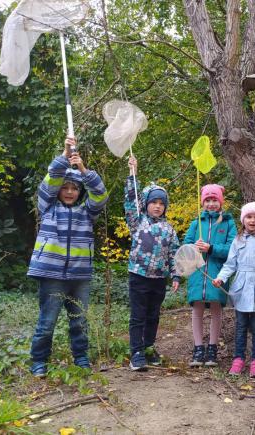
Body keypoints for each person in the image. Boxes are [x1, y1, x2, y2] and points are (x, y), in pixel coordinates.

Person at [28, 137, 108, 377]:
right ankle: (39, 361)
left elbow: (100, 194)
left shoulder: (88, 212)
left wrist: (82, 169)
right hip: (51, 274)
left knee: (79, 321)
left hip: (80, 275)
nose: (70, 191)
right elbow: (51, 178)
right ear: (59, 190)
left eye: (75, 188)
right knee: (47, 322)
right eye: (66, 187)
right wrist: (65, 155)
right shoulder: (47, 207)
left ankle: (81, 358)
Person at [125, 156, 179, 371]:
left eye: (161, 203)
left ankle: (148, 347)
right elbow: (131, 199)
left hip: (159, 278)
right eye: (153, 202)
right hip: (138, 275)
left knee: (153, 315)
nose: (157, 207)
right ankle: (136, 352)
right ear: (146, 204)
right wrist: (133, 174)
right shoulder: (137, 221)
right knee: (138, 315)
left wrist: (175, 275)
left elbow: (174, 253)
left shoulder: (169, 228)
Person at [213, 202, 255, 378]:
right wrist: (221, 277)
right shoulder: (238, 240)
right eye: (249, 217)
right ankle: (238, 358)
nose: (252, 220)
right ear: (243, 220)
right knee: (241, 326)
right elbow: (230, 264)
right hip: (241, 288)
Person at [183, 184, 237, 367]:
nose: (211, 204)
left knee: (216, 309)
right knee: (197, 309)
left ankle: (212, 348)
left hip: (218, 272)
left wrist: (211, 248)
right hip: (198, 272)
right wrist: (194, 247)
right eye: (208, 200)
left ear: (220, 202)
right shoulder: (196, 222)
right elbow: (186, 245)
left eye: (215, 200)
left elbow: (232, 248)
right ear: (203, 202)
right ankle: (198, 348)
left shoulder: (228, 222)